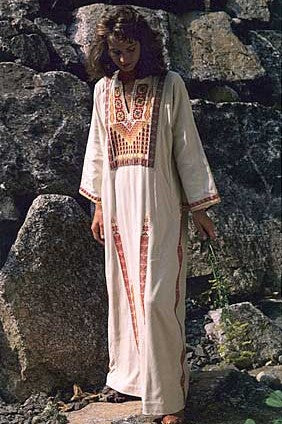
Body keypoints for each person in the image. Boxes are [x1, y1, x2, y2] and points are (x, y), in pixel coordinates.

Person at [79, 5, 220, 424]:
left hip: (160, 206)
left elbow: (186, 146)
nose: (124, 58)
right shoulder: (103, 92)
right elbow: (100, 151)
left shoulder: (169, 85)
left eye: (130, 49)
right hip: (120, 205)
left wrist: (200, 210)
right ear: (106, 51)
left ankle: (169, 398)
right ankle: (132, 380)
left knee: (159, 297)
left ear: (144, 44)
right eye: (116, 51)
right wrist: (100, 205)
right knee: (124, 293)